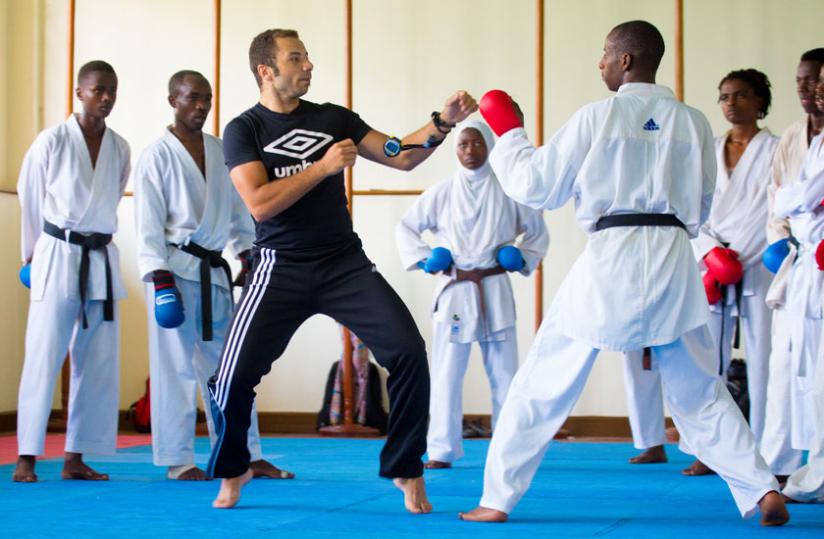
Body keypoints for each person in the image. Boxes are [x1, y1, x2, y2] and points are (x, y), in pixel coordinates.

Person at [459, 20, 788, 526]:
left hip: (611, 255)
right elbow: (701, 206)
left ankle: (496, 500)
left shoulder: (597, 117)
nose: (601, 64)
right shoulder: (695, 122)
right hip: (675, 257)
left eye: (606, 56)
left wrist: (511, 134)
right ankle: (762, 489)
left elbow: (536, 186)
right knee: (702, 391)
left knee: (542, 382)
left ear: (626, 61)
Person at [205, 28, 477, 511]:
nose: (308, 65)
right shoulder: (244, 129)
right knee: (231, 377)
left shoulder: (334, 118)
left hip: (342, 264)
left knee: (410, 354)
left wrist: (442, 123)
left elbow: (401, 155)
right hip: (278, 266)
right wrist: (324, 167)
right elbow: (260, 204)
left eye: (307, 57)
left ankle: (406, 469)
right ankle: (234, 467)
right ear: (266, 71)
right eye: (296, 59)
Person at [134, 70, 293, 481]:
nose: (201, 106)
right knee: (175, 368)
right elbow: (147, 226)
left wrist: (248, 253)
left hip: (215, 276)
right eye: (191, 98)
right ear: (173, 100)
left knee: (232, 367)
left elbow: (241, 211)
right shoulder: (156, 155)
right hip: (175, 272)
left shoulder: (222, 150)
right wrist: (159, 279)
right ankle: (177, 459)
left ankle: (246, 452)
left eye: (206, 98)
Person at [626, 69, 780, 474]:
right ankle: (706, 450)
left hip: (760, 263)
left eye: (741, 96)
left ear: (761, 101)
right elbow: (689, 204)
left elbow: (776, 211)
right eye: (724, 96)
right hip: (710, 267)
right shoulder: (707, 146)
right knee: (704, 362)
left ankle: (761, 451)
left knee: (763, 361)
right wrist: (711, 251)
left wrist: (739, 255)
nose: (731, 103)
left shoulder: (776, 150)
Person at [395, 119, 548, 469]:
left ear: (490, 147)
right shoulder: (443, 191)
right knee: (447, 374)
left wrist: (521, 256)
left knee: (506, 375)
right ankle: (441, 449)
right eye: (463, 144)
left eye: (477, 143)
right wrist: (425, 260)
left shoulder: (510, 191)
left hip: (493, 288)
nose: (469, 151)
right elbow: (406, 227)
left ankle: (511, 447)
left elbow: (537, 232)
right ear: (455, 149)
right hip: (456, 289)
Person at [13, 61, 130, 483]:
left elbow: (112, 198)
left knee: (96, 360)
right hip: (57, 252)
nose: (106, 97)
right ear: (79, 92)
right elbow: (30, 198)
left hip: (98, 256)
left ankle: (77, 455)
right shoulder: (52, 141)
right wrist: (30, 256)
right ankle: (26, 454)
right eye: (98, 89)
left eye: (112, 90)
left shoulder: (120, 147)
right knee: (43, 354)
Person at [760, 48, 824, 482]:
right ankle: (775, 464)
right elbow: (778, 198)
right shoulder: (797, 138)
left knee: (818, 374)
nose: (807, 89)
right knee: (784, 368)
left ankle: (816, 469)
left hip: (816, 261)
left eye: (816, 81)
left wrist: (795, 201)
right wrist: (780, 240)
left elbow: (798, 195)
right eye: (803, 80)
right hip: (797, 261)